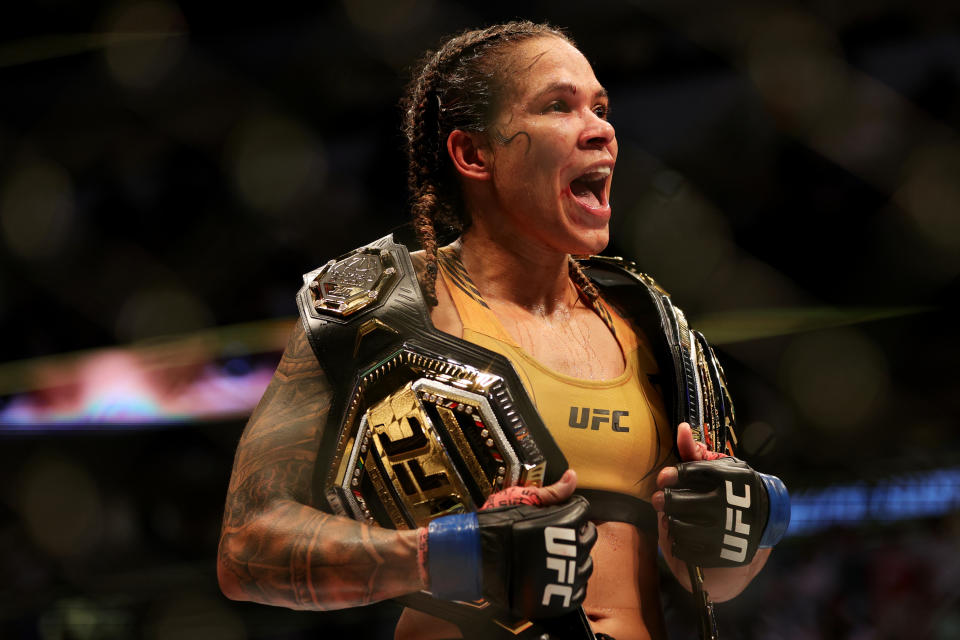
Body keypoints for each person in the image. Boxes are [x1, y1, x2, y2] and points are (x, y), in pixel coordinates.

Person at [217, 21, 788, 640]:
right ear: (474, 153)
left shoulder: (652, 323)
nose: (600, 130)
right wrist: (447, 556)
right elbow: (247, 549)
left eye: (600, 107)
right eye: (558, 107)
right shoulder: (372, 312)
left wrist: (746, 529)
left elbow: (716, 577)